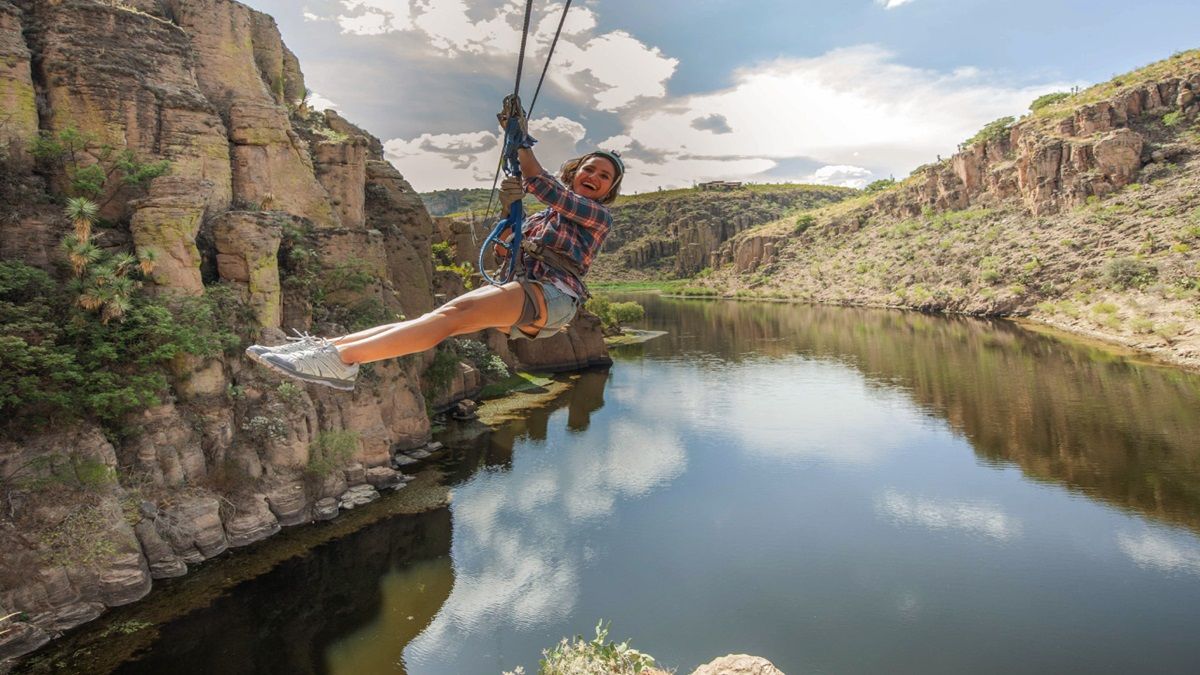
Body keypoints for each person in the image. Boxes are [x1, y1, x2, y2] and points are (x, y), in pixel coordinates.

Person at [246, 138, 624, 392]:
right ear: (575, 172)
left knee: (452, 314)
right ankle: (326, 349)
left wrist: (520, 142)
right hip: (531, 291)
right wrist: (510, 217)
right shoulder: (542, 219)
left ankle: (341, 360)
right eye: (590, 169)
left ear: (609, 190)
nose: (594, 177)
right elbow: (504, 252)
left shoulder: (598, 216)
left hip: (555, 295)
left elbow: (543, 185)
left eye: (604, 176)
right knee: (437, 318)